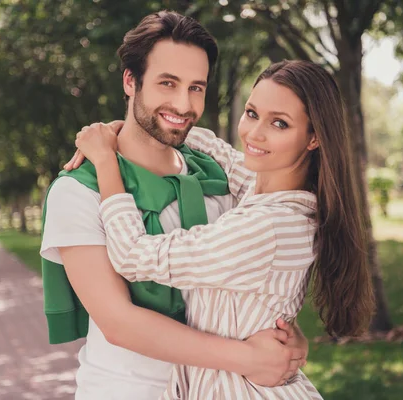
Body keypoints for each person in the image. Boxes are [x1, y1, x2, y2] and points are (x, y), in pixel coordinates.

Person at [40, 11, 307, 400]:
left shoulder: (221, 176)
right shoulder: (80, 191)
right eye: (168, 83)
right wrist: (248, 357)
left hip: (222, 390)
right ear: (130, 81)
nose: (182, 104)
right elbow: (119, 322)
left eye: (196, 87)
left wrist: (286, 336)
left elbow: (259, 275)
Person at [72, 59, 376, 399]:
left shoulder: (265, 226)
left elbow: (132, 255)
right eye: (251, 113)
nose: (254, 133)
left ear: (314, 138)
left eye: (280, 123)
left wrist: (105, 161)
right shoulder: (269, 190)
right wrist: (131, 127)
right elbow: (222, 153)